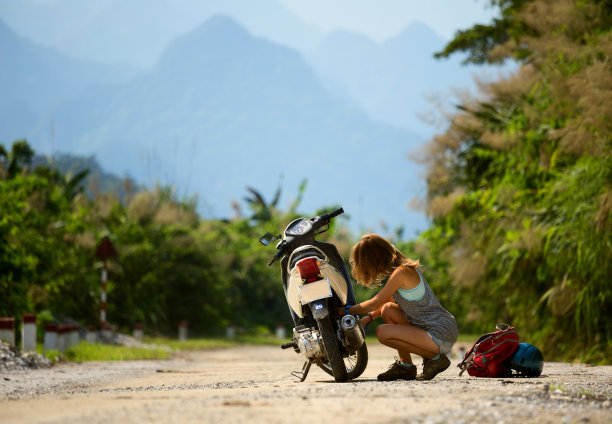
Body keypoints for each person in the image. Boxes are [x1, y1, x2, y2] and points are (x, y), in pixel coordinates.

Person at [341, 234, 458, 381]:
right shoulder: (402, 271)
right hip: (439, 328)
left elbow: (373, 303)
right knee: (388, 309)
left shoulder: (401, 273)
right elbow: (386, 302)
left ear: (374, 260)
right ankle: (406, 366)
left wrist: (344, 310)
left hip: (439, 333)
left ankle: (435, 358)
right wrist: (367, 319)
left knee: (382, 332)